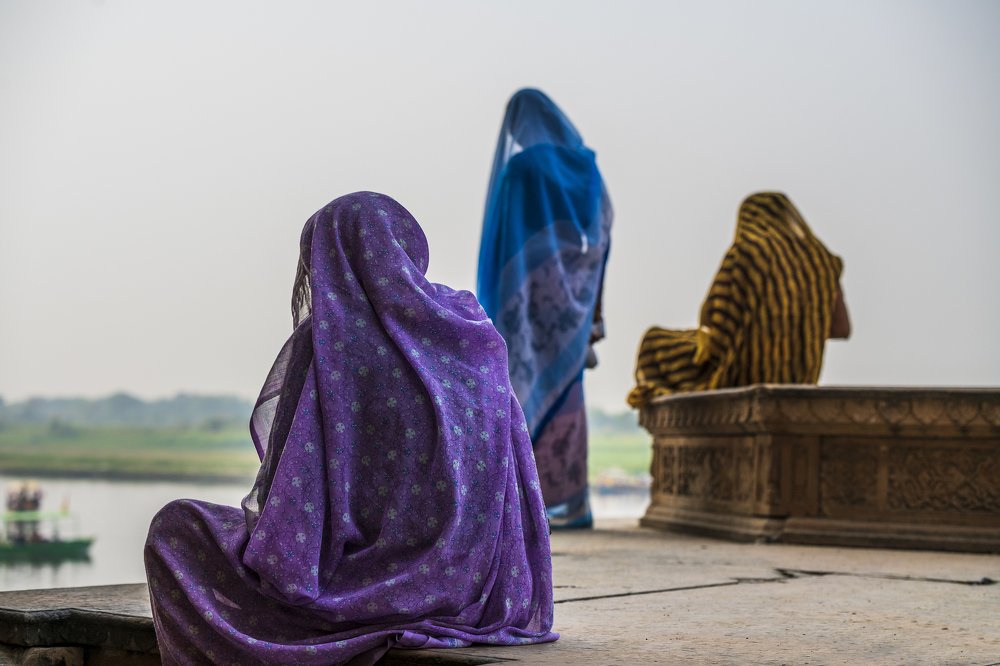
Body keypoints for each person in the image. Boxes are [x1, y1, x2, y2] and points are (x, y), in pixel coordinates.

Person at [145, 192, 557, 665]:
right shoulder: (469, 329)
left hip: (359, 588)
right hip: (476, 590)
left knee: (176, 526)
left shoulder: (330, 342)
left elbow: (293, 517)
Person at [477, 89, 612, 530]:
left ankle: (523, 507)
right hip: (572, 304)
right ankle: (569, 504)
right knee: (567, 393)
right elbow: (603, 233)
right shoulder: (588, 171)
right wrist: (590, 301)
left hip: (526, 300)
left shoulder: (520, 171)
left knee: (519, 391)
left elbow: (502, 243)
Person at [628, 192, 850, 407]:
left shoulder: (748, 251)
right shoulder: (823, 261)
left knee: (653, 341)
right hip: (802, 377)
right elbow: (841, 328)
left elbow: (718, 326)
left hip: (741, 374)